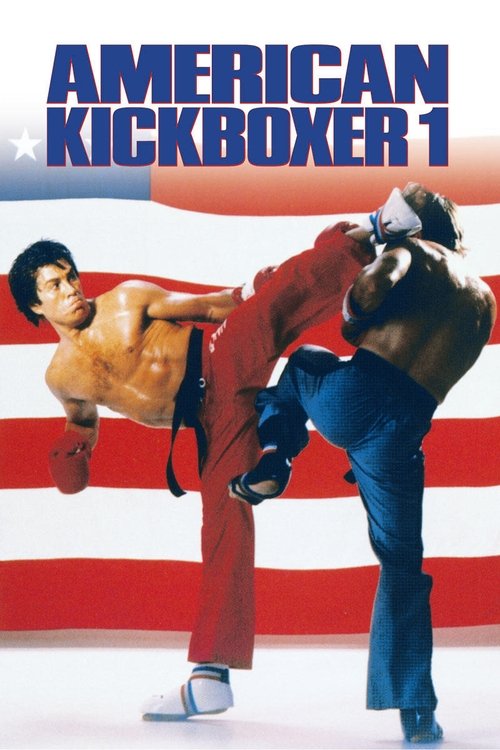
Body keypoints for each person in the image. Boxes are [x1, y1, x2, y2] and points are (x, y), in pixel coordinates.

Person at [8, 203, 387, 720]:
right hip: (211, 420)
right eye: (53, 286)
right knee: (224, 521)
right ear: (35, 306)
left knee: (271, 308)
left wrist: (251, 291)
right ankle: (211, 676)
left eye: (70, 276)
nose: (70, 289)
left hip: (218, 356)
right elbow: (82, 419)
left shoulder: (125, 300)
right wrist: (73, 448)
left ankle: (372, 231)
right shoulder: (61, 377)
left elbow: (208, 308)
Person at [229, 184, 497, 743]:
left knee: (305, 360)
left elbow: (374, 284)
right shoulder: (484, 302)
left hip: (355, 395)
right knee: (402, 562)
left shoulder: (414, 251)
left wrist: (354, 317)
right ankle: (415, 711)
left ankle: (277, 456)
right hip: (405, 431)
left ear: (416, 223)